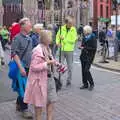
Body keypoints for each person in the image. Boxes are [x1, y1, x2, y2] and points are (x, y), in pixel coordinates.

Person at [24, 30, 58, 120]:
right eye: (50, 37)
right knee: (39, 107)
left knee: (51, 102)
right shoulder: (37, 50)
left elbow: (50, 60)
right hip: (40, 81)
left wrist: (56, 64)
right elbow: (34, 66)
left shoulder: (48, 48)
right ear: (45, 38)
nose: (52, 38)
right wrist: (48, 63)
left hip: (50, 80)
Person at [11, 18, 33, 119]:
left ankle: (19, 104)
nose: (30, 27)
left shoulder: (29, 38)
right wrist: (21, 68)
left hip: (29, 67)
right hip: (21, 67)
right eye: (29, 25)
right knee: (24, 88)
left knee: (25, 87)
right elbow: (14, 54)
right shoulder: (17, 38)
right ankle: (25, 109)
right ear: (23, 26)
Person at [56, 16, 77, 87]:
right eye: (70, 23)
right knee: (60, 66)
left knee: (70, 66)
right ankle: (60, 80)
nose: (71, 24)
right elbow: (57, 36)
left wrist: (64, 39)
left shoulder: (73, 29)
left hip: (69, 50)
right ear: (66, 23)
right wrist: (57, 43)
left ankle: (69, 80)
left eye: (72, 23)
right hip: (62, 49)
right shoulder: (61, 28)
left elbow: (73, 40)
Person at [80, 25, 97, 91]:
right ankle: (85, 84)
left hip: (89, 56)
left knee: (86, 70)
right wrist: (81, 47)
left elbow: (94, 48)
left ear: (87, 31)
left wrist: (84, 48)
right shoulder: (84, 37)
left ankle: (91, 83)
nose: (83, 32)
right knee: (83, 71)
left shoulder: (93, 37)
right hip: (83, 56)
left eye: (84, 31)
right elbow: (82, 45)